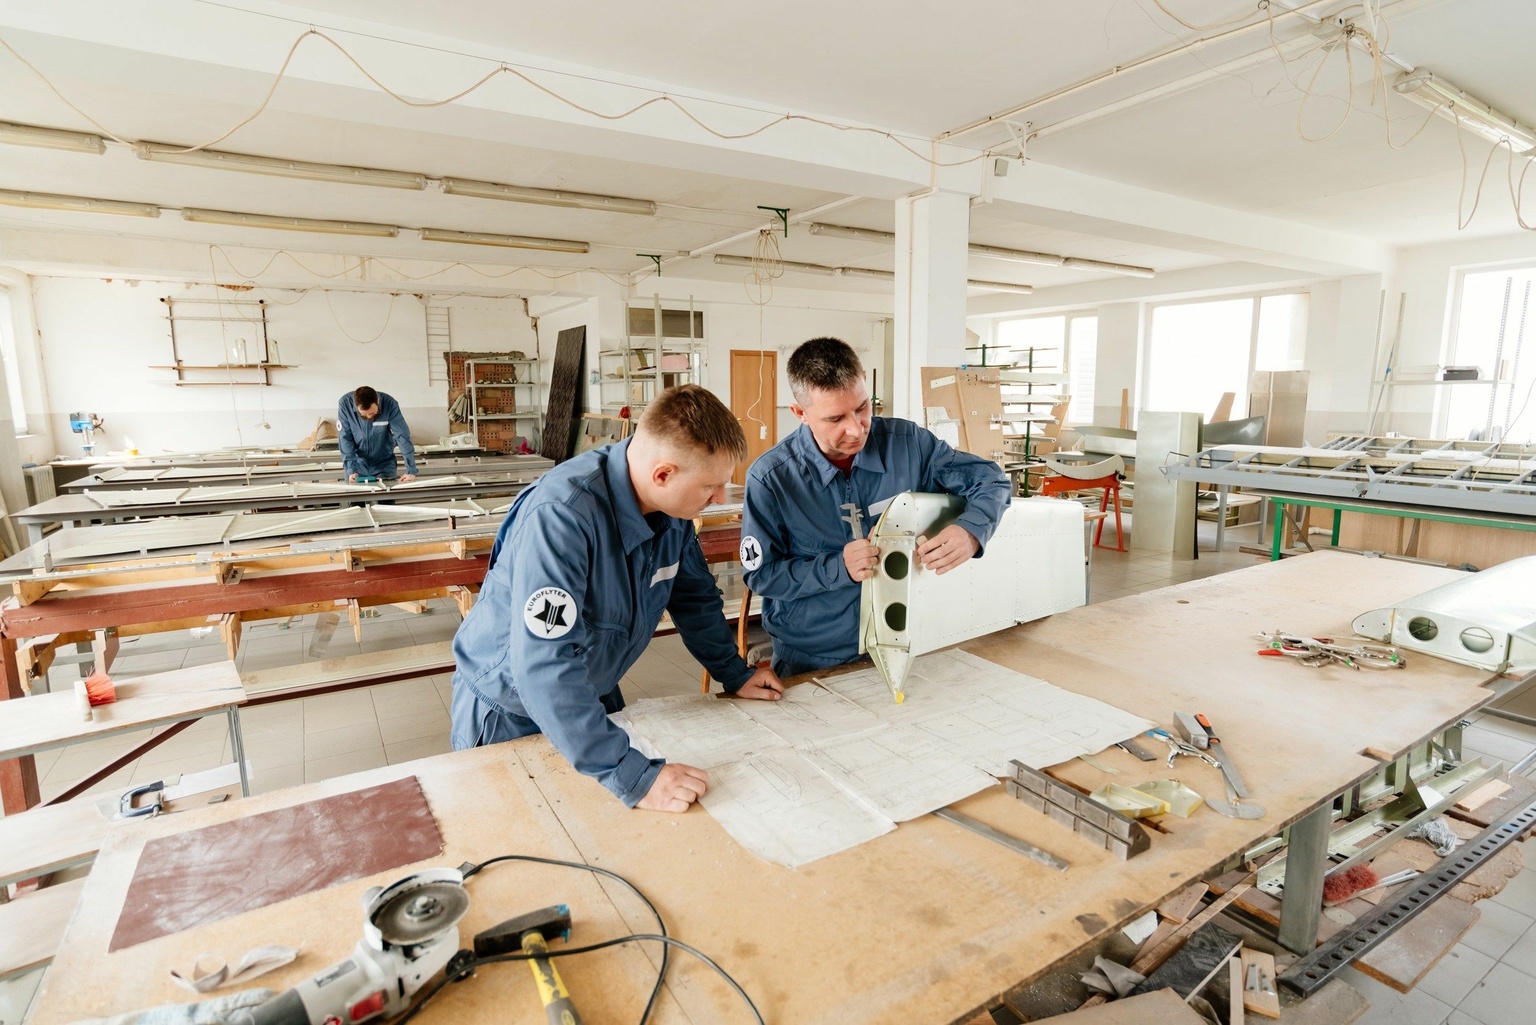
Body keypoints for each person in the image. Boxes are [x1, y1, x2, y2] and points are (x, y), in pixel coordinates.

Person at [450, 385, 785, 812]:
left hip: (588, 689)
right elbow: (541, 664)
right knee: (519, 834)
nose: (720, 498)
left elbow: (695, 600)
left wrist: (734, 674)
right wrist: (635, 776)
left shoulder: (671, 511)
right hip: (511, 709)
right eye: (711, 487)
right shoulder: (562, 517)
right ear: (662, 474)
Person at [741, 337, 1012, 679]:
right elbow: (762, 575)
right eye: (835, 418)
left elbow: (991, 481)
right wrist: (837, 568)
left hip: (911, 643)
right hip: (812, 657)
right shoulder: (771, 479)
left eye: (863, 408)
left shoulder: (910, 444)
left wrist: (972, 530)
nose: (855, 429)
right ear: (800, 413)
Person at [338, 386, 417, 483]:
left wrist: (411, 471)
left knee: (385, 497)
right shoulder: (345, 405)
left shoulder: (390, 404)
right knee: (356, 497)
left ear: (378, 401)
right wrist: (351, 470)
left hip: (384, 465)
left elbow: (402, 437)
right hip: (357, 466)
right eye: (364, 414)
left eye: (373, 412)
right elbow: (345, 439)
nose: (369, 416)